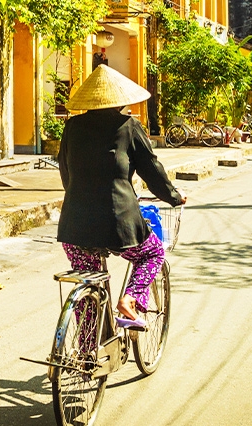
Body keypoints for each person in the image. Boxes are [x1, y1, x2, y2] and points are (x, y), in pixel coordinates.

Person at [57, 65, 186, 321]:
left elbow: (66, 173)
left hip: (74, 225)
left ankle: (85, 354)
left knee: (89, 285)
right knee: (152, 252)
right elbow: (152, 171)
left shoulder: (72, 127)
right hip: (117, 223)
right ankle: (130, 299)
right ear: (120, 101)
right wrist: (173, 195)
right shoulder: (128, 126)